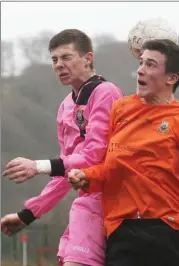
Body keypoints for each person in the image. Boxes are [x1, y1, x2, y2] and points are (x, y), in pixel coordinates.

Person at [68, 39, 179, 266]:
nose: (140, 69)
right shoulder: (121, 109)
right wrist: (87, 176)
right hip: (121, 232)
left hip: (167, 232)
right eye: (141, 63)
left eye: (151, 64)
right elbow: (112, 168)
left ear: (171, 78)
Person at [1, 29, 123, 266]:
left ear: (88, 58)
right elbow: (64, 171)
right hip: (86, 205)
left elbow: (95, 156)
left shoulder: (105, 93)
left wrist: (37, 166)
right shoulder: (66, 106)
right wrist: (27, 215)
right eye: (54, 60)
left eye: (66, 57)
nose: (58, 65)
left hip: (113, 201)